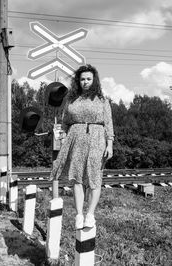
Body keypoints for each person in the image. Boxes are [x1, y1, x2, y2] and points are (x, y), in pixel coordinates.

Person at [50, 64, 114, 229]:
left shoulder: (102, 100)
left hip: (97, 138)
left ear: (94, 80)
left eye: (88, 79)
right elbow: (65, 122)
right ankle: (79, 214)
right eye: (82, 79)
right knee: (77, 177)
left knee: (94, 178)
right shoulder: (71, 99)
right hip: (76, 139)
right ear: (78, 81)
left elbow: (108, 123)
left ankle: (90, 214)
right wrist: (62, 135)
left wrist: (110, 144)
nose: (85, 82)